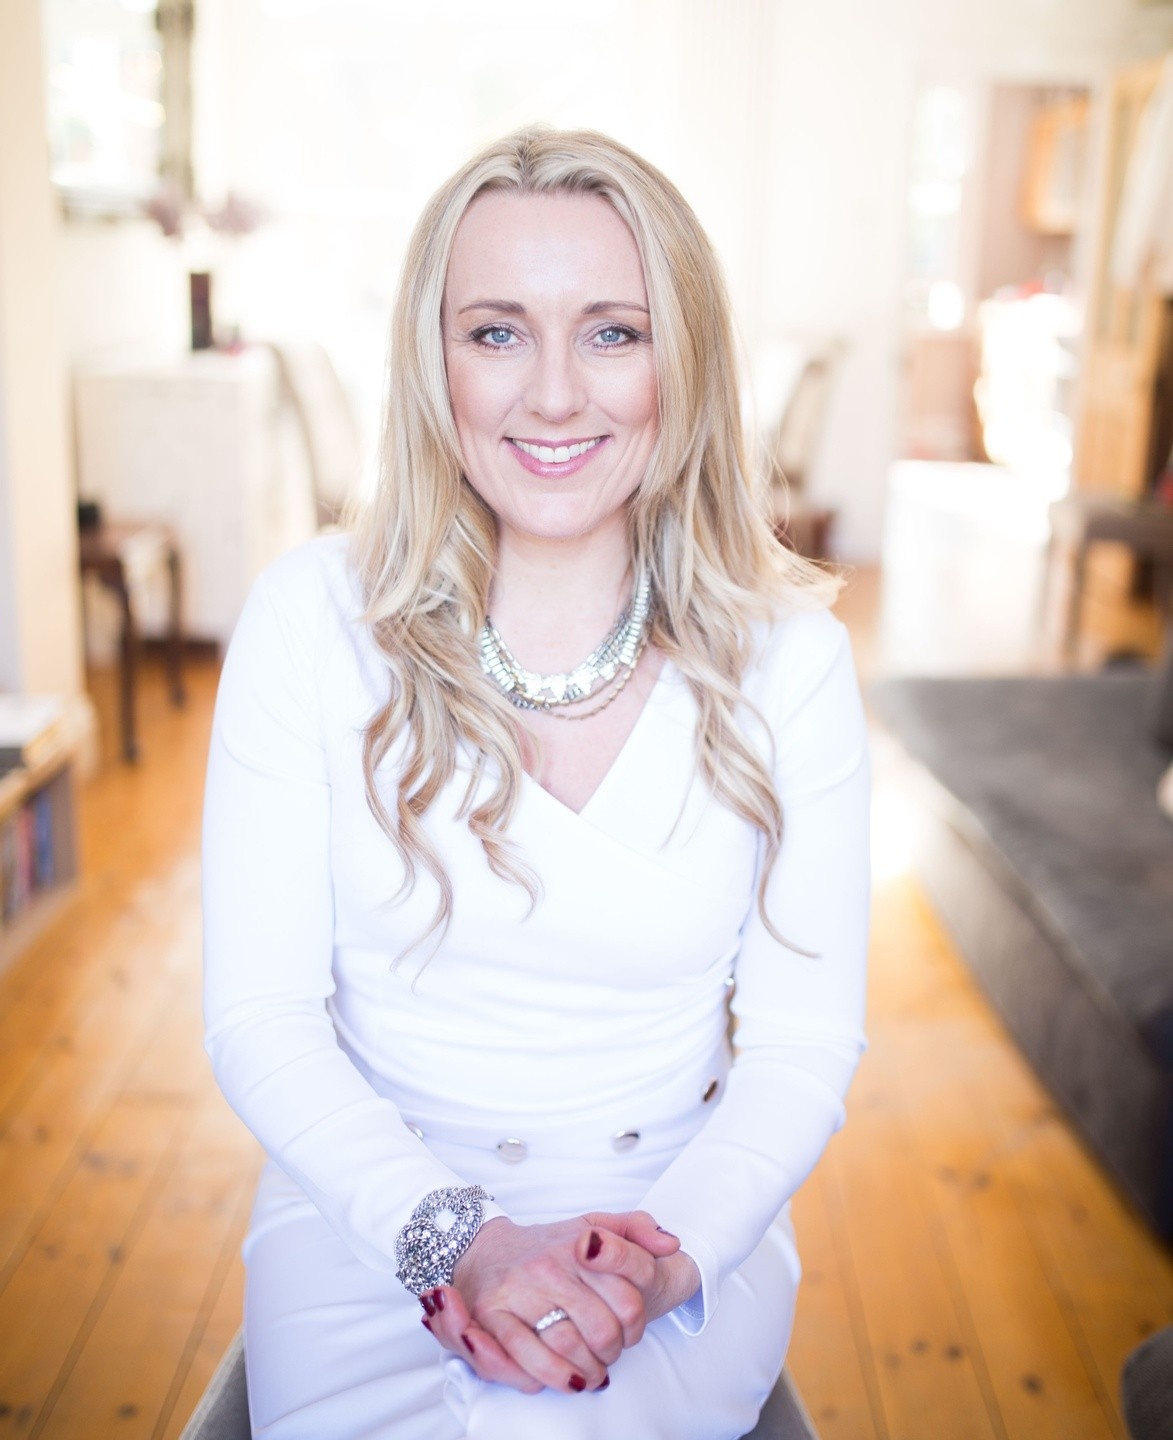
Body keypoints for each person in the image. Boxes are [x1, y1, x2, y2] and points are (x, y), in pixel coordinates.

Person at [202, 126, 871, 1440]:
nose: (554, 394)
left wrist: (662, 1262)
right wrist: (452, 1238)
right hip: (371, 1223)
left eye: (613, 332)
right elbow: (260, 1017)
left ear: (683, 361)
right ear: (433, 360)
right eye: (497, 332)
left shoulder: (790, 660)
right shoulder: (308, 622)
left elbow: (802, 1045)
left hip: (672, 1225)